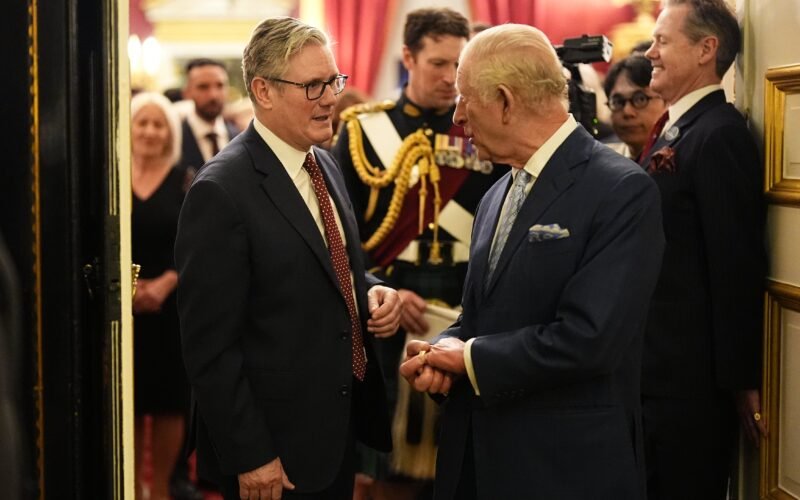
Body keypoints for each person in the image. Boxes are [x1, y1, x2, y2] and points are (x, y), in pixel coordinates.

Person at [399, 24, 665, 499]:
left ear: (505, 101)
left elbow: (590, 338)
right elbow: (482, 314)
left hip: (562, 468)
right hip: (477, 459)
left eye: (465, 99)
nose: (457, 116)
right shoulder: (497, 190)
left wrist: (470, 358)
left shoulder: (621, 190)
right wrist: (442, 349)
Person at [175, 17, 402, 500]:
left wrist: (370, 291)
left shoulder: (323, 163)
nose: (331, 97)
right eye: (313, 85)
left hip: (334, 434)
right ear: (263, 91)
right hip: (272, 453)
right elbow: (209, 348)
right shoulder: (221, 191)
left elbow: (324, 267)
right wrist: (250, 454)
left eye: (334, 81)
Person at [331, 9, 506, 495]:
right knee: (388, 467)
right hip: (390, 305)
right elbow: (341, 233)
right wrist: (385, 289)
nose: (450, 78)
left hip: (467, 302)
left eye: (459, 65)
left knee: (464, 456)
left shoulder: (486, 128)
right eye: (438, 64)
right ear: (408, 57)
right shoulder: (363, 131)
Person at [639, 1, 767, 498]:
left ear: (705, 49)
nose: (650, 52)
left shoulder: (719, 134)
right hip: (654, 373)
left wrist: (741, 380)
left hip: (690, 386)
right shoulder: (680, 128)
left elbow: (735, 265)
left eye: (662, 41)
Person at [130, 91, 192, 500]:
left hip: (172, 307)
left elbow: (199, 242)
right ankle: (133, 487)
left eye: (159, 124)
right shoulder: (112, 175)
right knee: (131, 399)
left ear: (170, 132)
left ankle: (160, 489)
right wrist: (130, 286)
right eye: (143, 123)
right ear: (130, 128)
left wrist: (167, 282)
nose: (150, 132)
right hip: (124, 308)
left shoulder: (186, 177)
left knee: (170, 402)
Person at [178, 58, 240, 171]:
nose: (213, 95)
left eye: (220, 85)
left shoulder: (239, 138)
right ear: (187, 92)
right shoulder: (175, 141)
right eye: (203, 87)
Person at [603, 55, 667, 159]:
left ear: (667, 102)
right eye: (618, 102)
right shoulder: (602, 160)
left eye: (640, 99)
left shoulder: (682, 157)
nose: (627, 112)